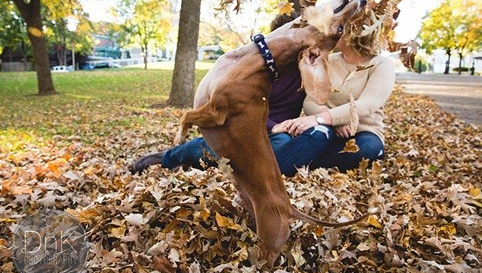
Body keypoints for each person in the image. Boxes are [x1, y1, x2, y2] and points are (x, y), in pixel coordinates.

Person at [131, 13, 329, 173]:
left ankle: (209, 157)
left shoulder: (306, 69)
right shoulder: (259, 69)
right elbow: (241, 108)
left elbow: (317, 99)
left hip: (276, 138)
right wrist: (274, 126)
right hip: (245, 130)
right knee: (215, 146)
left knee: (282, 143)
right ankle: (169, 157)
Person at [271, 17, 396, 175]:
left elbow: (368, 103)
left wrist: (323, 118)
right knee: (319, 134)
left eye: (337, 29)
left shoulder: (381, 64)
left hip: (361, 133)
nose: (328, 34)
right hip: (326, 130)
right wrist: (330, 121)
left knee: (370, 148)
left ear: (353, 33)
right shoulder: (327, 60)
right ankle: (282, 168)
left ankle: (296, 163)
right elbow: (311, 100)